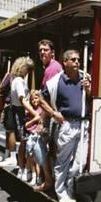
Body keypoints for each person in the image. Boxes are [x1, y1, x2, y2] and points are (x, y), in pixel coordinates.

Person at [39, 50, 91, 202]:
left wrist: (88, 89)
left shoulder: (85, 77)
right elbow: (40, 99)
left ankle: (69, 188)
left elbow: (91, 98)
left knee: (80, 162)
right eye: (73, 60)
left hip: (83, 124)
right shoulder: (56, 82)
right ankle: (61, 192)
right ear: (65, 63)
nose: (77, 62)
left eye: (78, 60)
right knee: (63, 162)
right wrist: (54, 113)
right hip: (67, 125)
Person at [35, 39, 62, 191]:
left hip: (52, 115)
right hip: (53, 113)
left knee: (41, 144)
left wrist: (41, 120)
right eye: (40, 50)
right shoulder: (53, 67)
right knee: (52, 147)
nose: (42, 52)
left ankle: (49, 179)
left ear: (52, 52)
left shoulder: (52, 69)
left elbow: (48, 98)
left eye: (45, 49)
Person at [24, 90, 46, 186]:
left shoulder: (42, 110)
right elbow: (26, 125)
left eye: (36, 98)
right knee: (31, 157)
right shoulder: (30, 111)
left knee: (38, 158)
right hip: (31, 136)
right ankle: (33, 175)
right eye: (32, 99)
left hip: (39, 136)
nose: (34, 100)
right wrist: (34, 119)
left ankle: (39, 177)